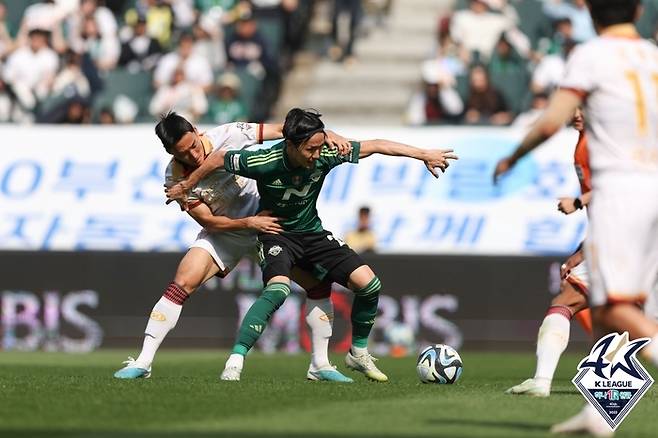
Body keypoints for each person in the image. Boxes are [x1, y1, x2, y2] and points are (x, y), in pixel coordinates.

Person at [166, 108, 458, 382]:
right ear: (291, 145)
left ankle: (358, 354)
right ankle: (236, 360)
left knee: (369, 285)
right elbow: (217, 159)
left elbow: (377, 144)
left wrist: (423, 154)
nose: (317, 155)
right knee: (278, 290)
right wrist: (187, 184)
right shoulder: (264, 161)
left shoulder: (326, 153)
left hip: (312, 232)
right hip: (276, 233)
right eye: (310, 149)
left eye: (320, 147)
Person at [493, 1, 658, 435]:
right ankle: (600, 417)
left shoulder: (593, 55)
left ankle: (552, 386)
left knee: (608, 308)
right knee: (607, 315)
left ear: (589, 12)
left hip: (625, 196)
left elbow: (550, 121)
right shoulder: (651, 56)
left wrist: (513, 156)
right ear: (639, 10)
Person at [114, 113, 355, 383]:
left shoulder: (230, 134)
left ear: (196, 130)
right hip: (229, 229)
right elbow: (208, 221)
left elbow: (286, 131)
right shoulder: (175, 177)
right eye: (183, 153)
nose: (193, 155)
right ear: (170, 152)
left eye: (194, 145)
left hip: (272, 222)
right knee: (182, 281)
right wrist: (248, 222)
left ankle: (319, 364)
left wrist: (328, 135)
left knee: (318, 284)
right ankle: (144, 361)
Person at [506, 109, 593, 398]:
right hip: (623, 235)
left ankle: (542, 381)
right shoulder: (584, 143)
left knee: (569, 304)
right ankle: (541, 381)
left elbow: (618, 189)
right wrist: (584, 249)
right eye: (575, 107)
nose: (577, 113)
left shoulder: (603, 142)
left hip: (632, 237)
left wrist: (578, 201)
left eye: (585, 106)